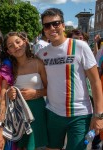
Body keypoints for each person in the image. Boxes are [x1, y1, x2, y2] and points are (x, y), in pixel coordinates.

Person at [37, 8, 103, 150]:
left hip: (79, 115)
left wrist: (99, 115)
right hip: (53, 113)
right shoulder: (42, 53)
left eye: (55, 23)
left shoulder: (80, 46)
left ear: (63, 25)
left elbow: (95, 81)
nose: (52, 28)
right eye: (47, 25)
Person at [4, 31, 48, 150]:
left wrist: (36, 93)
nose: (16, 46)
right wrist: (8, 93)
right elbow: (3, 90)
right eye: (11, 46)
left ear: (25, 42)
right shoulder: (9, 68)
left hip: (37, 112)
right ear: (8, 51)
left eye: (18, 42)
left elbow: (50, 90)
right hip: (17, 115)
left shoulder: (38, 63)